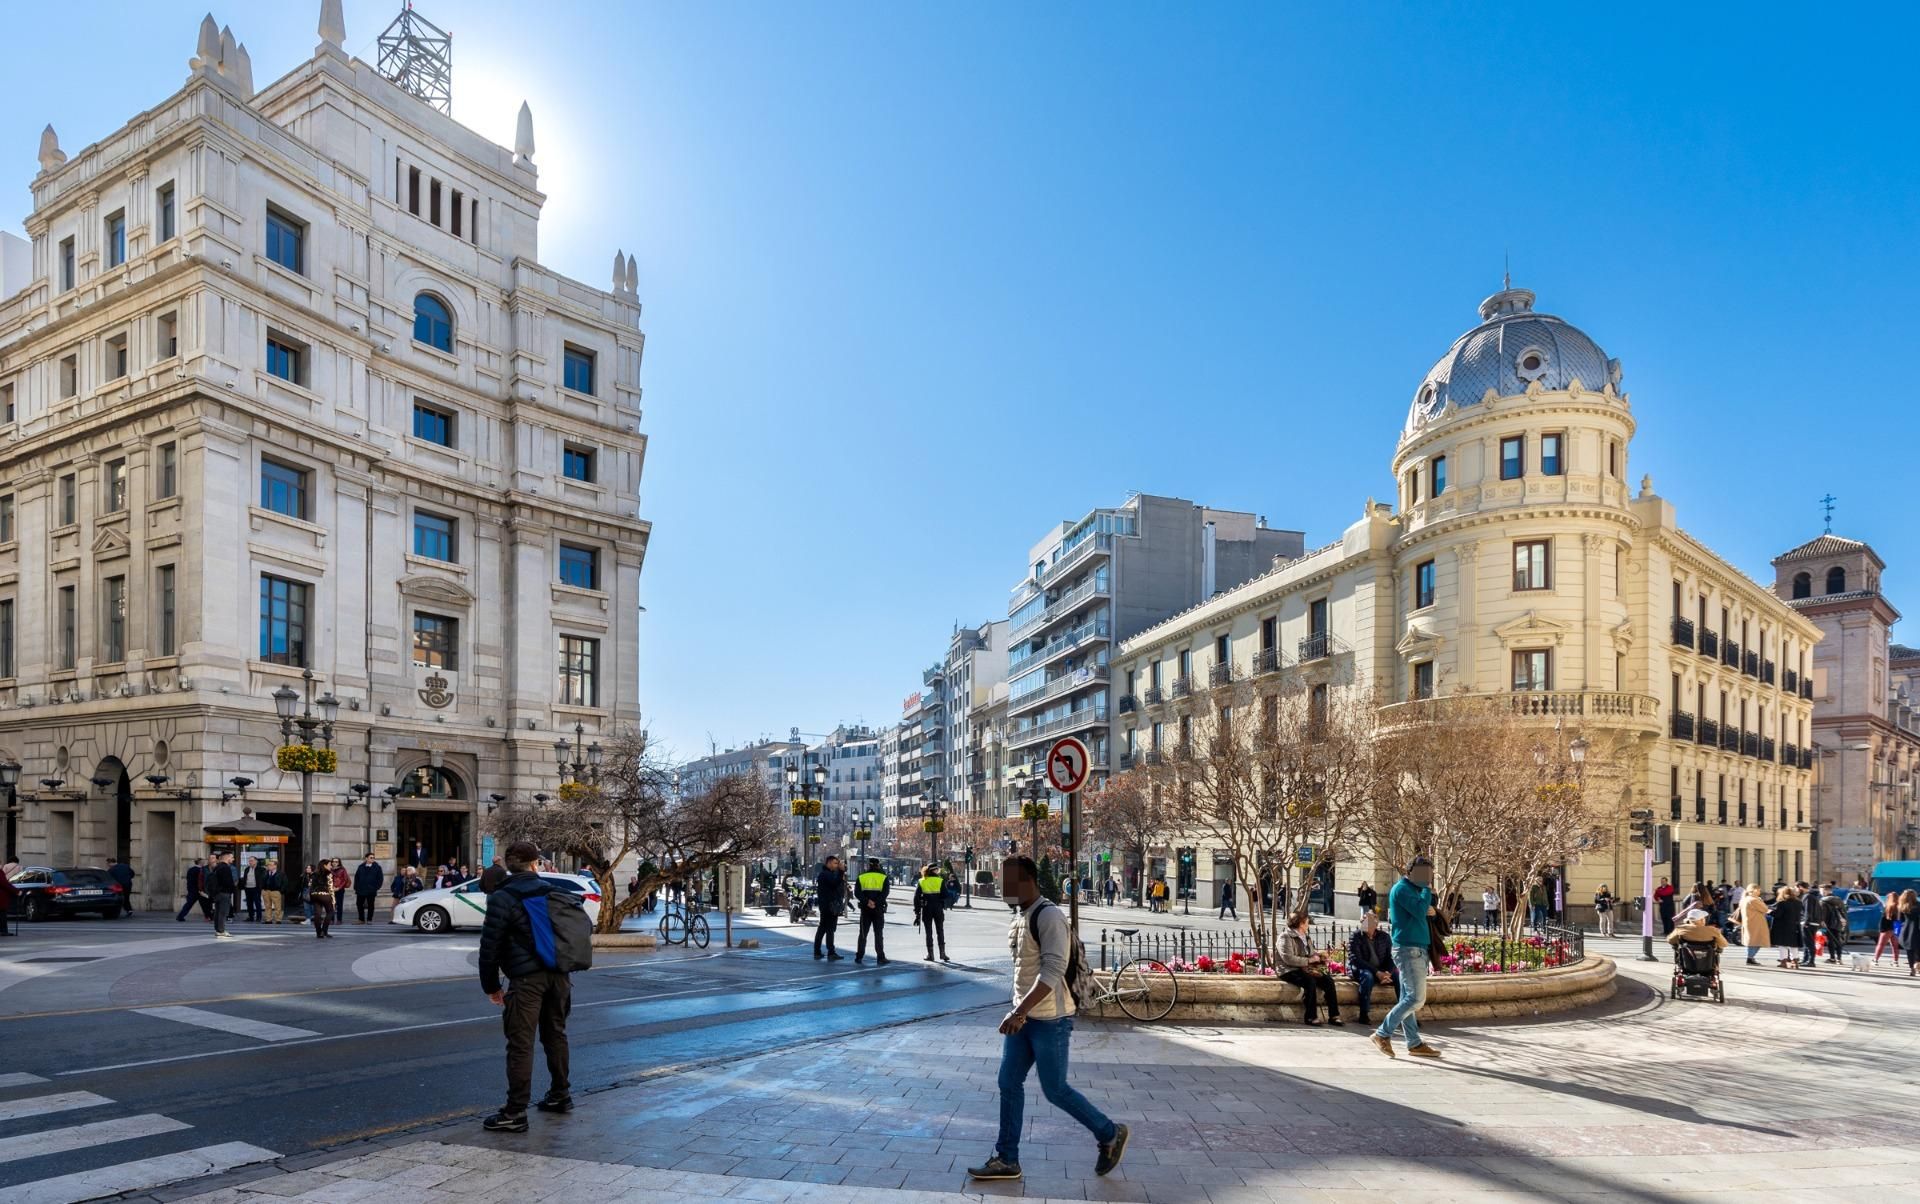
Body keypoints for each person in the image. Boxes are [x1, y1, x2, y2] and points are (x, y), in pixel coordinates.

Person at [967, 856, 1126, 1183]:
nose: (1002, 889)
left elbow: (1052, 970)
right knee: (1008, 1082)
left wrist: (1019, 1011)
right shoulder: (1022, 915)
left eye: (1007, 883)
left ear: (1027, 881)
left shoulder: (1048, 915)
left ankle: (1109, 1133)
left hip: (1050, 1019)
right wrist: (1018, 1010)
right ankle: (1007, 1159)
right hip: (1024, 1019)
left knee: (1055, 1090)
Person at [479, 841, 575, 1132]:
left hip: (525, 981)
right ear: (536, 864)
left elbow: (489, 948)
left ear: (509, 866)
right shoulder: (553, 891)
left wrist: (492, 986)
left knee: (521, 1045)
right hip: (559, 976)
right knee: (555, 1035)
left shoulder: (502, 898)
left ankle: (515, 1112)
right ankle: (560, 1095)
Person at [1369, 855, 1441, 1060]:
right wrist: (1427, 889)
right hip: (1408, 949)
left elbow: (1425, 912)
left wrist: (1433, 911)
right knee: (1416, 998)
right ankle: (1382, 1033)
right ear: (1411, 872)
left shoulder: (1414, 890)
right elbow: (1419, 911)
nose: (1428, 878)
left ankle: (1414, 1043)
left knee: (1406, 997)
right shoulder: (1401, 889)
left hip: (1418, 948)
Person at [1276, 911, 1341, 1026]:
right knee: (1310, 982)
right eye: (1306, 922)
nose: (1308, 924)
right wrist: (1309, 961)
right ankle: (1311, 1017)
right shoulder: (1285, 937)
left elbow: (1310, 953)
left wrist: (1320, 958)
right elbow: (1288, 958)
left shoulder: (1306, 937)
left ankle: (1334, 1015)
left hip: (1305, 968)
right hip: (1288, 970)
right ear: (1301, 924)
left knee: (1328, 981)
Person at [1347, 910, 1397, 1027]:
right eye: (1364, 920)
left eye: (1369, 921)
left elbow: (1391, 957)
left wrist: (1387, 973)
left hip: (1382, 970)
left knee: (1399, 976)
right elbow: (1355, 959)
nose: (1366, 923)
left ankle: (1407, 1015)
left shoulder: (1384, 937)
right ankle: (1364, 1014)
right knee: (1367, 976)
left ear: (1376, 924)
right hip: (1362, 969)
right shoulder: (1356, 936)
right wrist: (1377, 973)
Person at [854, 858, 890, 965]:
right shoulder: (884, 877)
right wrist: (876, 903)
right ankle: (880, 957)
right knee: (878, 933)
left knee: (863, 934)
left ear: (868, 866)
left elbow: (857, 893)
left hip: (865, 909)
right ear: (878, 865)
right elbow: (885, 893)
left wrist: (867, 902)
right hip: (878, 909)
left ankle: (859, 956)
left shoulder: (861, 877)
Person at [914, 862, 950, 961]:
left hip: (926, 908)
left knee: (928, 932)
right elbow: (946, 895)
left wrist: (917, 912)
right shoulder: (940, 881)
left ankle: (931, 955)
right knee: (940, 930)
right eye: (937, 870)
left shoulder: (922, 881)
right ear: (934, 870)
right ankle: (942, 954)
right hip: (938, 908)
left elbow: (916, 898)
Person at [813, 856, 846, 960]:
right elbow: (834, 884)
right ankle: (831, 952)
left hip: (827, 905)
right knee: (829, 929)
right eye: (835, 863)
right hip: (829, 906)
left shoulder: (827, 874)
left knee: (822, 928)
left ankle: (818, 951)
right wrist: (841, 872)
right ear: (829, 863)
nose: (837, 865)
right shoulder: (826, 874)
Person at [1769, 885, 1803, 968]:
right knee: (1793, 945)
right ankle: (1795, 962)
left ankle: (1783, 962)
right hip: (1794, 926)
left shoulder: (1782, 902)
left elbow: (1778, 914)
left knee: (1782, 945)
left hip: (1782, 927)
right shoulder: (1798, 902)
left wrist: (1770, 912)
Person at [207, 851, 237, 941]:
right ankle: (221, 931)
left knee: (218, 912)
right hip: (224, 893)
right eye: (231, 857)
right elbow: (227, 882)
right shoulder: (225, 867)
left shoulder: (217, 867)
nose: (233, 859)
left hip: (217, 893)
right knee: (223, 912)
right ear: (227, 857)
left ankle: (218, 930)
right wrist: (232, 889)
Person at [1738, 883, 1769, 965]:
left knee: (1752, 941)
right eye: (1759, 890)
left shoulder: (1745, 899)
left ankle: (1750, 957)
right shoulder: (1754, 900)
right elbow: (1765, 909)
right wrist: (1760, 900)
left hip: (1749, 922)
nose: (1759, 892)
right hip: (1756, 923)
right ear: (1754, 890)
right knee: (1757, 941)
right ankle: (1750, 958)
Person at [1819, 884, 1848, 963]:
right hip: (1839, 922)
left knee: (1830, 940)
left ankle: (1832, 958)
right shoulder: (1838, 899)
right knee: (1837, 940)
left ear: (1827, 890)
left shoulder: (1823, 901)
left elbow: (1823, 913)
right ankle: (1839, 958)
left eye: (1822, 891)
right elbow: (1844, 911)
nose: (1821, 892)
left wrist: (1822, 921)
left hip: (1829, 923)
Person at [306, 862, 335, 938]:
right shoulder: (328, 873)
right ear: (325, 865)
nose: (331, 866)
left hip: (314, 895)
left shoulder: (314, 874)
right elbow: (330, 888)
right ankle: (324, 931)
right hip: (324, 894)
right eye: (329, 865)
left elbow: (309, 885)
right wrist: (333, 901)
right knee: (330, 912)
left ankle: (319, 933)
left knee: (317, 914)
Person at [176, 858, 208, 922]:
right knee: (204, 904)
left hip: (191, 890)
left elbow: (188, 880)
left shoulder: (190, 870)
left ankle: (180, 916)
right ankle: (208, 916)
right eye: (203, 862)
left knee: (188, 904)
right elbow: (202, 881)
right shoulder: (201, 870)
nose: (204, 863)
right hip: (199, 890)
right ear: (200, 863)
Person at [354, 855, 385, 923]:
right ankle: (361, 919)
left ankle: (369, 919)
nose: (372, 859)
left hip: (371, 890)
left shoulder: (377, 867)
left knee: (371, 905)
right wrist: (356, 887)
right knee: (359, 904)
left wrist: (376, 887)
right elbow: (356, 877)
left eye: (373, 858)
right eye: (371, 858)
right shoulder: (361, 867)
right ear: (366, 858)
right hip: (361, 889)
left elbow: (380, 879)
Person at [1873, 892, 1902, 966]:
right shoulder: (1899, 907)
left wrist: (1881, 930)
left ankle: (1875, 960)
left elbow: (1883, 920)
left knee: (1881, 944)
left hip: (1887, 929)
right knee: (1895, 946)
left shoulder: (1888, 907)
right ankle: (1895, 961)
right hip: (1895, 929)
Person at [1899, 890, 1920, 977]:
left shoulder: (1903, 907)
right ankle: (1917, 965)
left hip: (1907, 931)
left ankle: (1912, 969)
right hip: (1917, 930)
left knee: (1909, 951)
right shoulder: (1918, 905)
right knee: (1918, 950)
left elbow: (1901, 920)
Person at [239, 856, 263, 922]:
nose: (250, 862)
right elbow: (244, 878)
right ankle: (251, 917)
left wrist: (261, 887)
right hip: (247, 888)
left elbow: (262, 879)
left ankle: (259, 917)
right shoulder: (247, 869)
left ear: (256, 861)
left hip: (256, 888)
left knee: (257, 903)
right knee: (249, 903)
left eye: (252, 860)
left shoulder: (260, 869)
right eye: (249, 861)